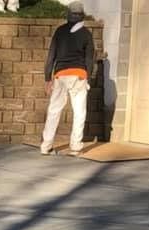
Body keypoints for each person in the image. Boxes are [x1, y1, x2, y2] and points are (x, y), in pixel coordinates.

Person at [41, 1, 94, 157]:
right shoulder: (86, 34)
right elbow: (89, 58)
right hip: (79, 75)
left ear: (68, 15)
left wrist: (47, 78)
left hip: (61, 74)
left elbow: (51, 56)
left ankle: (46, 145)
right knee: (79, 111)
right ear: (81, 15)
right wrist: (88, 77)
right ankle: (75, 146)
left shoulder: (59, 32)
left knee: (54, 110)